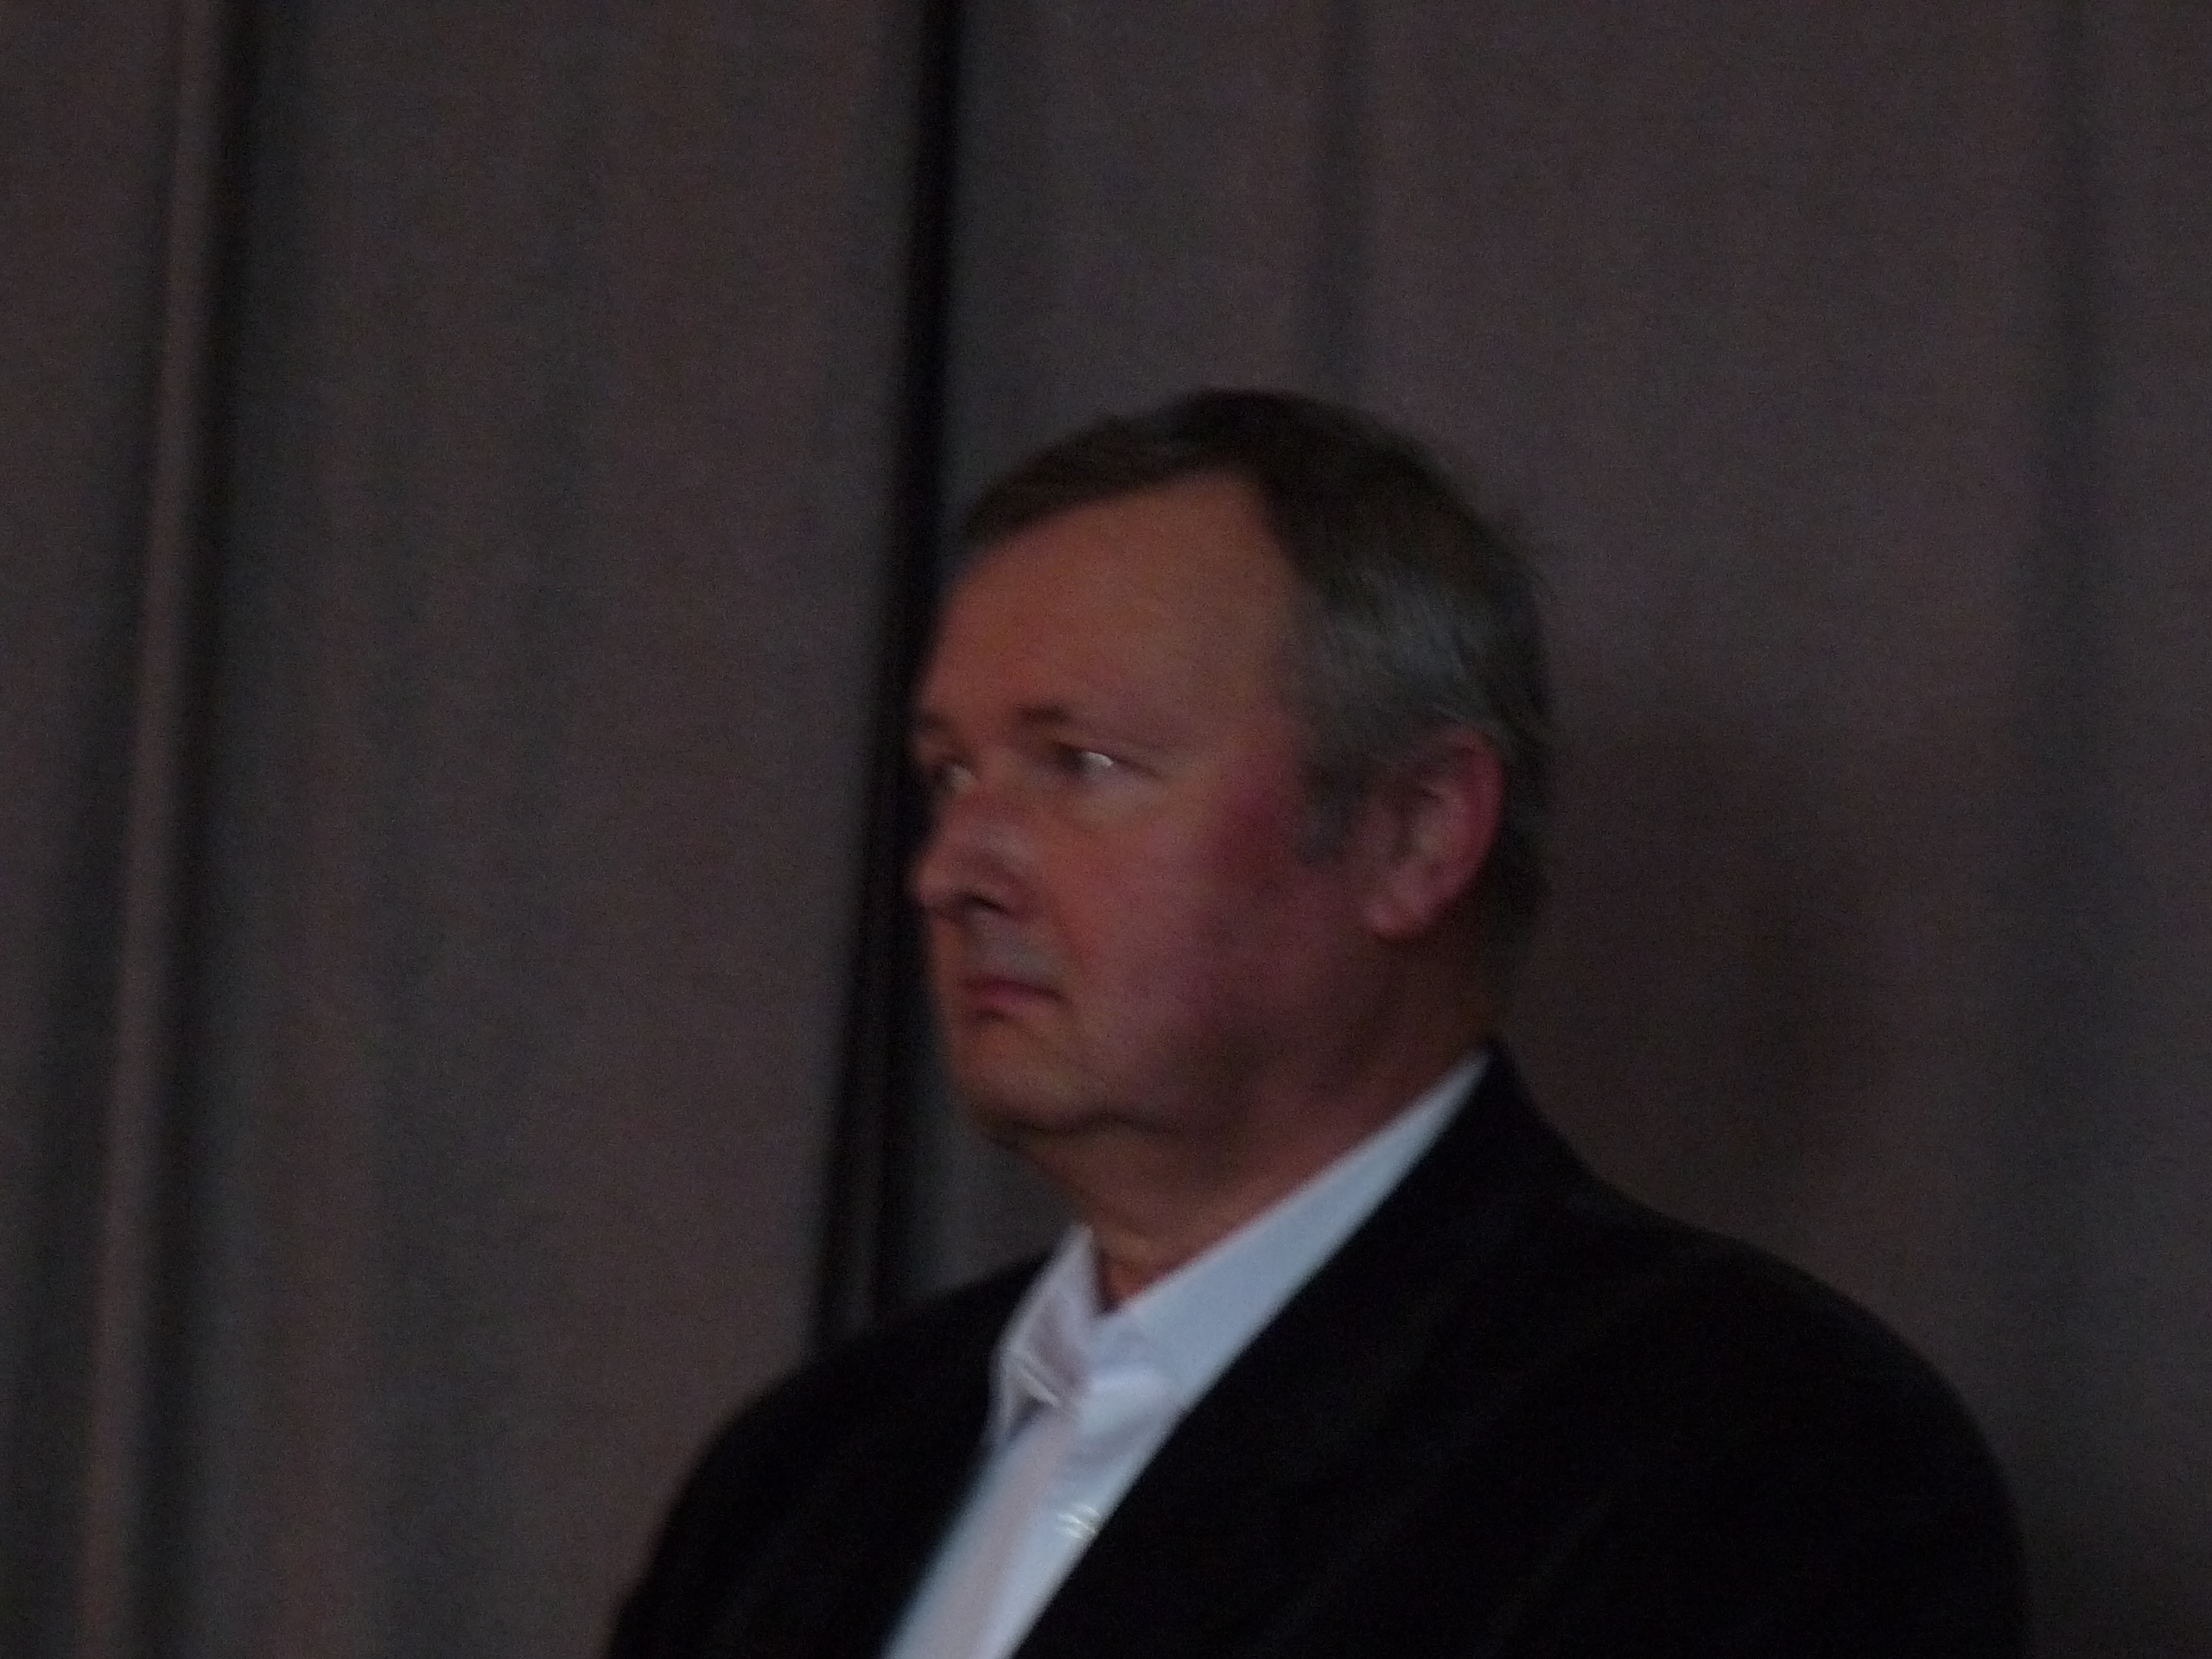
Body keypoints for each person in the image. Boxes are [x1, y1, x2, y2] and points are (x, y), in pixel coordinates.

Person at [606, 391, 2024, 1658]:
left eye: (1079, 763)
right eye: (952, 776)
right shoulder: (798, 1476)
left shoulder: (1753, 1459)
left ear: (1417, 834)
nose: (951, 870)